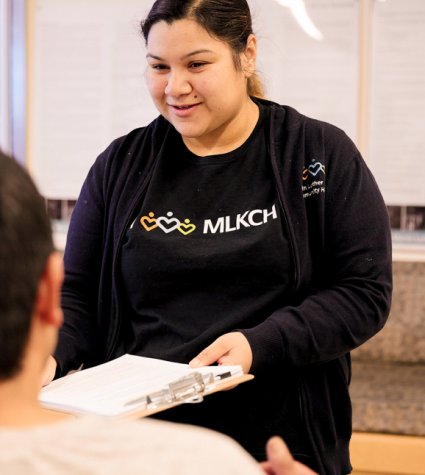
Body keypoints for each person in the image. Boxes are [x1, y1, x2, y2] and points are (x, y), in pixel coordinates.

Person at [43, 0, 392, 473]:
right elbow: (79, 296)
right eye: (158, 67)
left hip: (279, 444)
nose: (175, 87)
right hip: (140, 445)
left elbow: (362, 293)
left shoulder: (316, 154)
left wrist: (259, 344)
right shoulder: (120, 166)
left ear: (246, 54)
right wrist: (49, 357)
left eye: (197, 64)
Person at [0, 150, 318, 475]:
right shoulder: (210, 463)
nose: (177, 94)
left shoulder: (310, 150)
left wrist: (264, 342)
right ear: (50, 288)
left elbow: (363, 287)